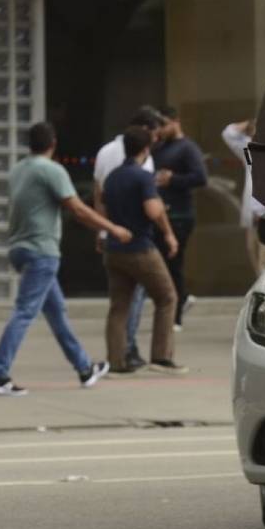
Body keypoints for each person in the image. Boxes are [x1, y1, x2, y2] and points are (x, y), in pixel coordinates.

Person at [0, 123, 128, 396]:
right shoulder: (51, 170)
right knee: (25, 311)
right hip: (42, 251)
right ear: (53, 142)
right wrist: (112, 229)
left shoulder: (19, 169)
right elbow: (77, 208)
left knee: (56, 312)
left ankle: (85, 367)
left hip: (19, 248)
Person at [101, 126, 187, 377]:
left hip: (114, 248)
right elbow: (151, 211)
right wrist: (165, 223)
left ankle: (116, 362)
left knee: (119, 306)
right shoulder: (142, 177)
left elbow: (104, 208)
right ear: (146, 149)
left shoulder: (113, 176)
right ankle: (161, 357)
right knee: (167, 297)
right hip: (140, 248)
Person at [93, 106, 166, 370]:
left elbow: (98, 195)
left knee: (119, 303)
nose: (156, 141)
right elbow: (151, 202)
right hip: (138, 239)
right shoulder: (142, 161)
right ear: (145, 134)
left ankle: (117, 358)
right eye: (155, 135)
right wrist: (166, 230)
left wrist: (102, 230)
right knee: (154, 296)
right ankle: (134, 348)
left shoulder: (104, 154)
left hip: (113, 237)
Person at [151, 105, 205, 331]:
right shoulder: (160, 148)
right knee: (163, 265)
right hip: (162, 213)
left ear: (175, 122)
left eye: (164, 124)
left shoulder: (187, 148)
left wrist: (173, 179)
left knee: (173, 263)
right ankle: (181, 299)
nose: (161, 130)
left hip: (180, 215)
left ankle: (176, 314)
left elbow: (200, 177)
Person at [221, 120, 265, 273]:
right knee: (252, 251)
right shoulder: (250, 152)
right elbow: (229, 133)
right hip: (253, 215)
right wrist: (251, 121)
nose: (253, 135)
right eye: (252, 131)